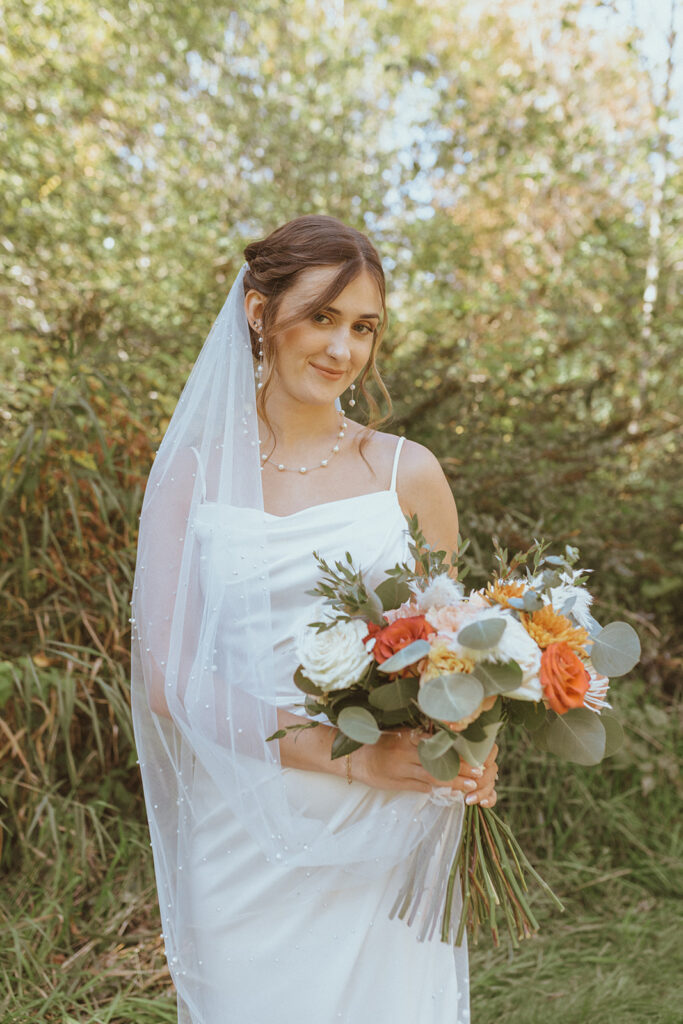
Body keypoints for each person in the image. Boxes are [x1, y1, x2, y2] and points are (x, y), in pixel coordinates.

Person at [131, 215, 498, 1024]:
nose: (342, 349)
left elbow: (455, 643)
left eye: (362, 327)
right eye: (321, 317)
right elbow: (167, 681)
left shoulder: (407, 471)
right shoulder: (189, 477)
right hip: (245, 817)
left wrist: (474, 744)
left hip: (389, 823)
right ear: (259, 313)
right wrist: (346, 758)